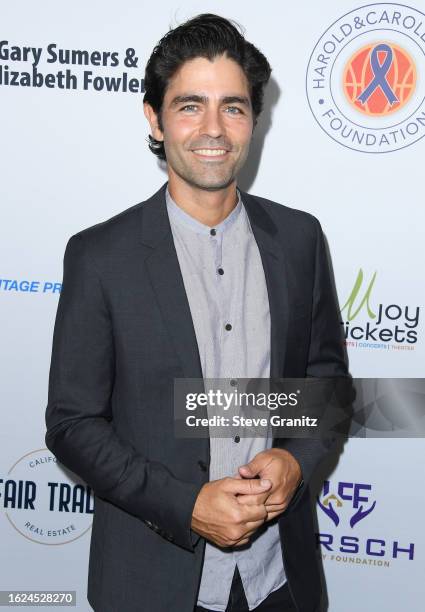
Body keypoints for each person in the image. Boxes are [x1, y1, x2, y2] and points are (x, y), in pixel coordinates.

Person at [45, 13, 347, 612]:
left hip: (279, 581)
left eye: (233, 107)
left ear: (254, 120)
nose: (214, 128)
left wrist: (294, 458)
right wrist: (185, 505)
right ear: (155, 119)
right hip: (152, 584)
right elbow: (73, 425)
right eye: (190, 106)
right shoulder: (101, 256)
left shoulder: (299, 239)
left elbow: (328, 385)